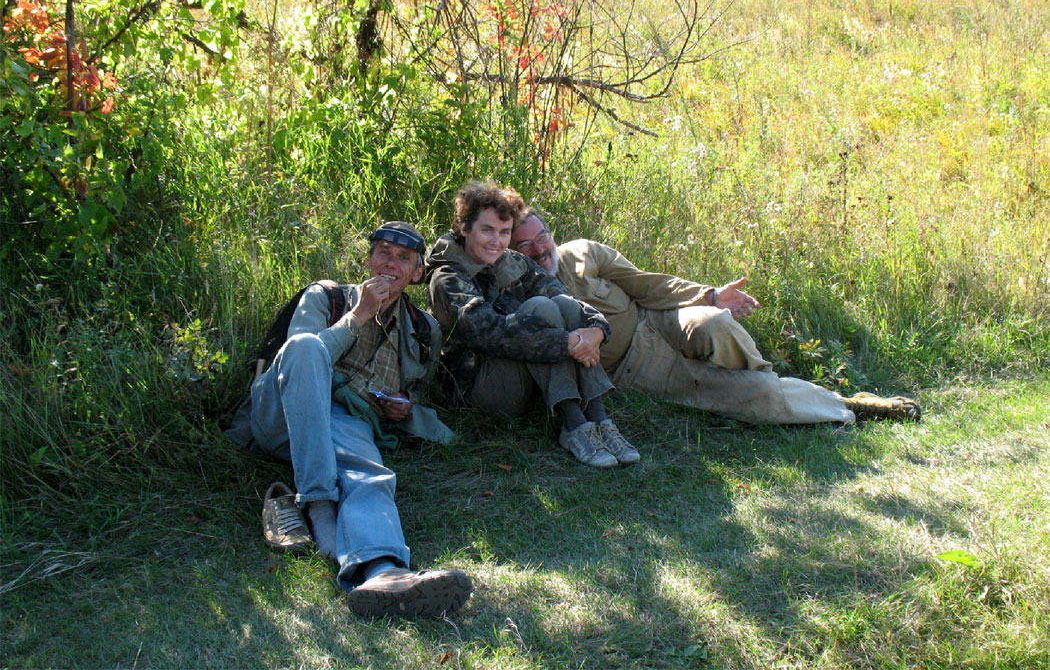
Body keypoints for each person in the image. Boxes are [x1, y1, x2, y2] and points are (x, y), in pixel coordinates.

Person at [225, 222, 473, 618]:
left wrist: (405, 406)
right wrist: (358, 317)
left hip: (344, 424)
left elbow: (423, 390)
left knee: (366, 473)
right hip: (281, 416)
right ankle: (320, 504)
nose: (390, 264)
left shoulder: (425, 330)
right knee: (306, 346)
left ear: (416, 274)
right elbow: (298, 362)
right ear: (368, 259)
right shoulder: (326, 298)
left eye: (403, 258)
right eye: (383, 253)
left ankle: (384, 571)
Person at [510, 209, 920, 425]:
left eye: (542, 235)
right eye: (524, 246)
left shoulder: (581, 252)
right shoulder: (522, 293)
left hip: (659, 320)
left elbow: (648, 285)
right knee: (752, 395)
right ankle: (848, 404)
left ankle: (775, 384)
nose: (539, 249)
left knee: (716, 324)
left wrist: (710, 295)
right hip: (636, 366)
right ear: (511, 254)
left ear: (552, 232)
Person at [425, 181, 640, 468]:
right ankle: (574, 424)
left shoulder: (511, 261)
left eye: (504, 233)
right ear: (465, 229)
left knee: (560, 305)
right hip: (478, 387)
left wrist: (596, 330)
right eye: (486, 230)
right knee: (539, 308)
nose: (496, 242)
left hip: (522, 372)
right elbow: (490, 333)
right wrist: (568, 343)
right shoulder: (447, 278)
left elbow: (565, 296)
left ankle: (598, 420)